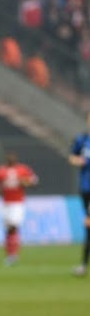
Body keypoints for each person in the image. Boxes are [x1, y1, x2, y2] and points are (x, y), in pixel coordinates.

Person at [0, 152, 38, 266]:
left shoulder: (23, 169)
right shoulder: (0, 171)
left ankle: (14, 255)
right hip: (6, 203)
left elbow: (34, 180)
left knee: (13, 227)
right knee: (8, 229)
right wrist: (0, 185)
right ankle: (10, 254)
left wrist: (25, 183)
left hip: (18, 203)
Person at [68, 112, 90, 277]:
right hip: (87, 188)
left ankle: (83, 265)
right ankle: (83, 265)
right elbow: (72, 157)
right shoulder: (82, 140)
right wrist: (78, 161)